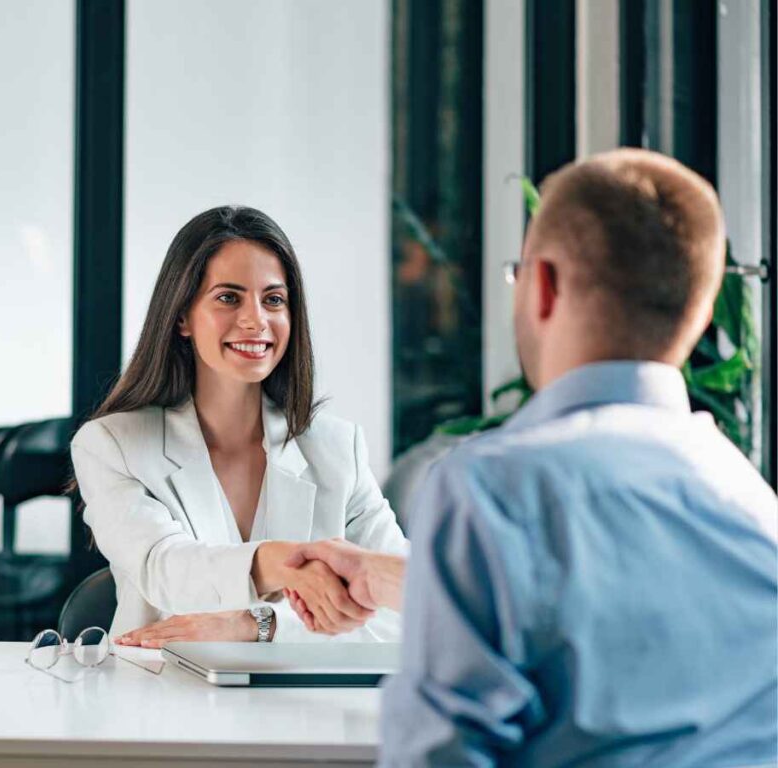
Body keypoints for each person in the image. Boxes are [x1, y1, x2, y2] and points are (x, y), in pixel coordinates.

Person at [285, 149, 778, 766]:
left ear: (543, 286)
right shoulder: (753, 504)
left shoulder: (491, 490)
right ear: (702, 314)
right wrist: (382, 576)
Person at [70, 205, 407, 647]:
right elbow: (164, 568)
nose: (256, 320)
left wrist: (261, 625)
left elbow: (410, 608)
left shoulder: (338, 447)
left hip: (300, 709)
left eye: (273, 300)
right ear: (182, 317)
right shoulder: (112, 445)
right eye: (228, 297)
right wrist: (286, 564)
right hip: (159, 701)